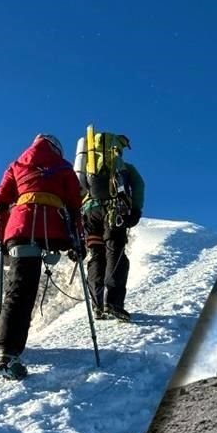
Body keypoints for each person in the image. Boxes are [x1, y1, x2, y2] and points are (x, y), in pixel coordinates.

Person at [0, 133, 83, 380]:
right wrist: (78, 240)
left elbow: (0, 201)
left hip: (20, 227)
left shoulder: (16, 164)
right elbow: (75, 204)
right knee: (26, 288)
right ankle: (9, 352)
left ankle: (6, 349)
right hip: (52, 228)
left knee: (19, 288)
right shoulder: (63, 166)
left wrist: (1, 238)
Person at [73, 130, 145, 322]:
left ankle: (97, 305)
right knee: (115, 251)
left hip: (90, 213)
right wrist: (135, 211)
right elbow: (139, 185)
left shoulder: (87, 168)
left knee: (97, 255)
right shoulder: (125, 168)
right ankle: (112, 302)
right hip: (114, 211)